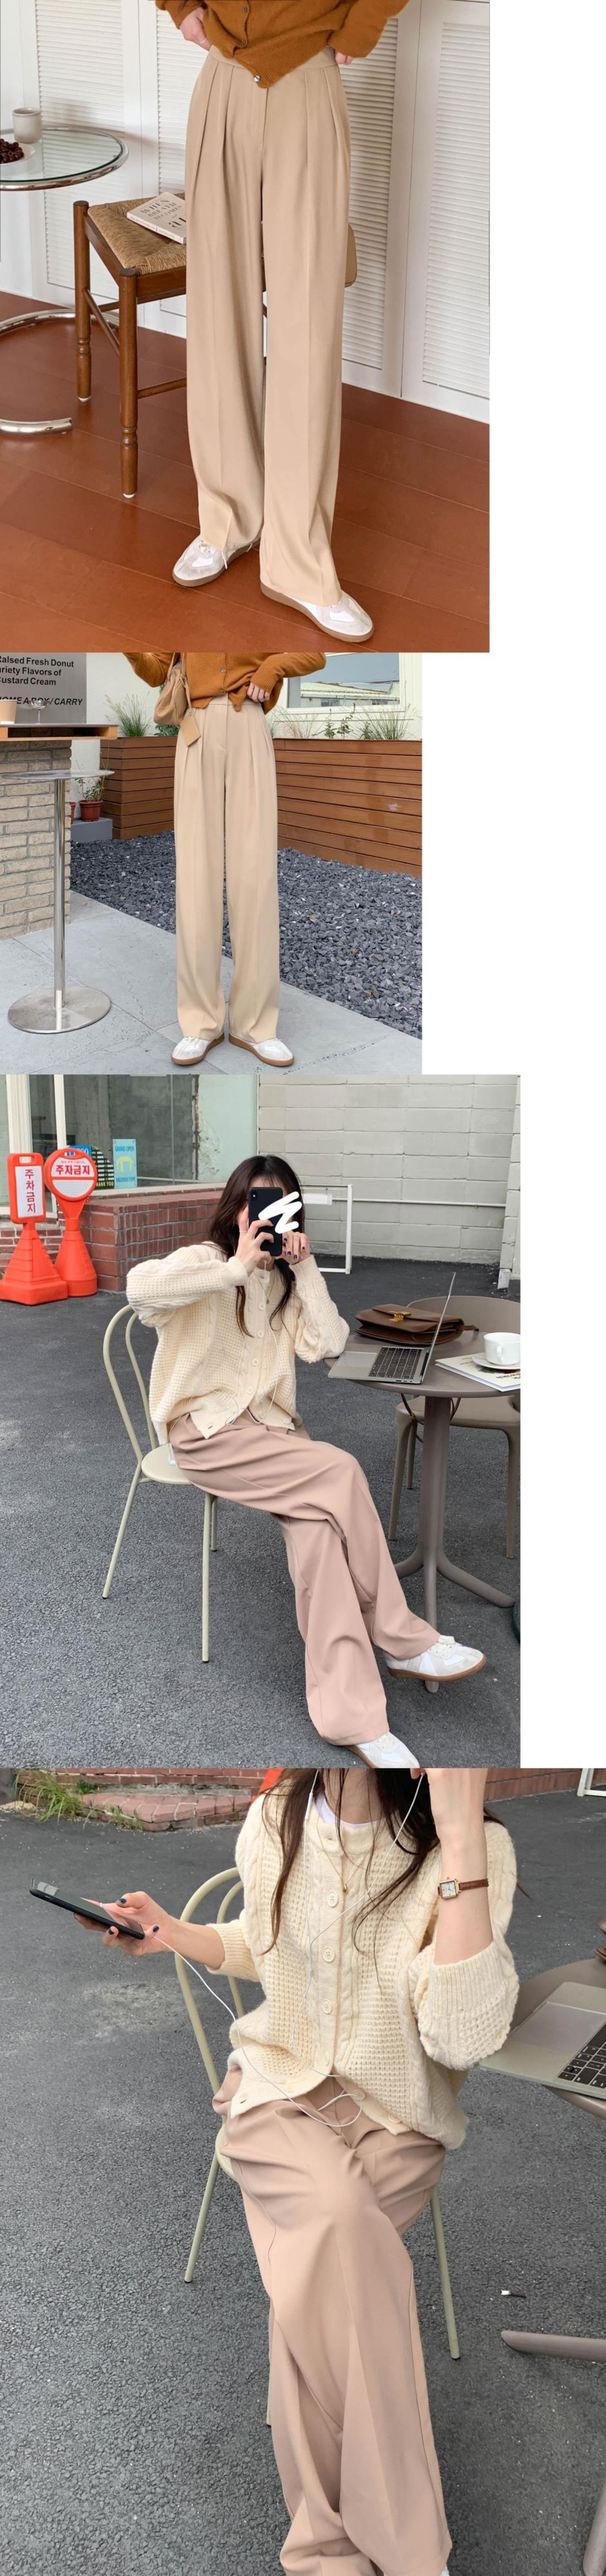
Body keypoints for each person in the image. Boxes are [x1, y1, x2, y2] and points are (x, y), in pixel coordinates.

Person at [82, 1763, 519, 2576]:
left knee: (317, 2272)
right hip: (277, 2096)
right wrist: (171, 1930)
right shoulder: (278, 1814)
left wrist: (461, 1839)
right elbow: (268, 1945)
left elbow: (461, 2037)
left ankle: (325, 2549)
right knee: (336, 2222)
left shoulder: (470, 1846)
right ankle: (411, 2554)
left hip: (396, 2121)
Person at [126, 1154, 486, 1763]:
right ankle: (401, 1638)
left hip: (272, 1437)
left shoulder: (282, 1281)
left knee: (318, 1533)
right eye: (256, 1203)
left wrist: (305, 1266)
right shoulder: (204, 1261)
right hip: (207, 1436)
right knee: (341, 1468)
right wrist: (234, 1269)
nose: (266, 1218)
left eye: (281, 1205)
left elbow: (330, 1343)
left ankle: (354, 1721)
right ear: (234, 1209)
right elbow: (140, 1291)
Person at [156, 0, 410, 633]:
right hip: (222, 78)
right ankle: (227, 519)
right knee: (217, 308)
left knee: (308, 323)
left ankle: (299, 560)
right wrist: (179, 5)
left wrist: (361, 25)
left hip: (307, 72)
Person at [127, 650, 324, 1068]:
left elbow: (314, 652)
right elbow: (157, 669)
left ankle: (256, 1024)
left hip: (249, 721)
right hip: (195, 727)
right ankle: (201, 1022)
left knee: (255, 876)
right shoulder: (180, 613)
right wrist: (125, 643)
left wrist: (272, 668)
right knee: (195, 876)